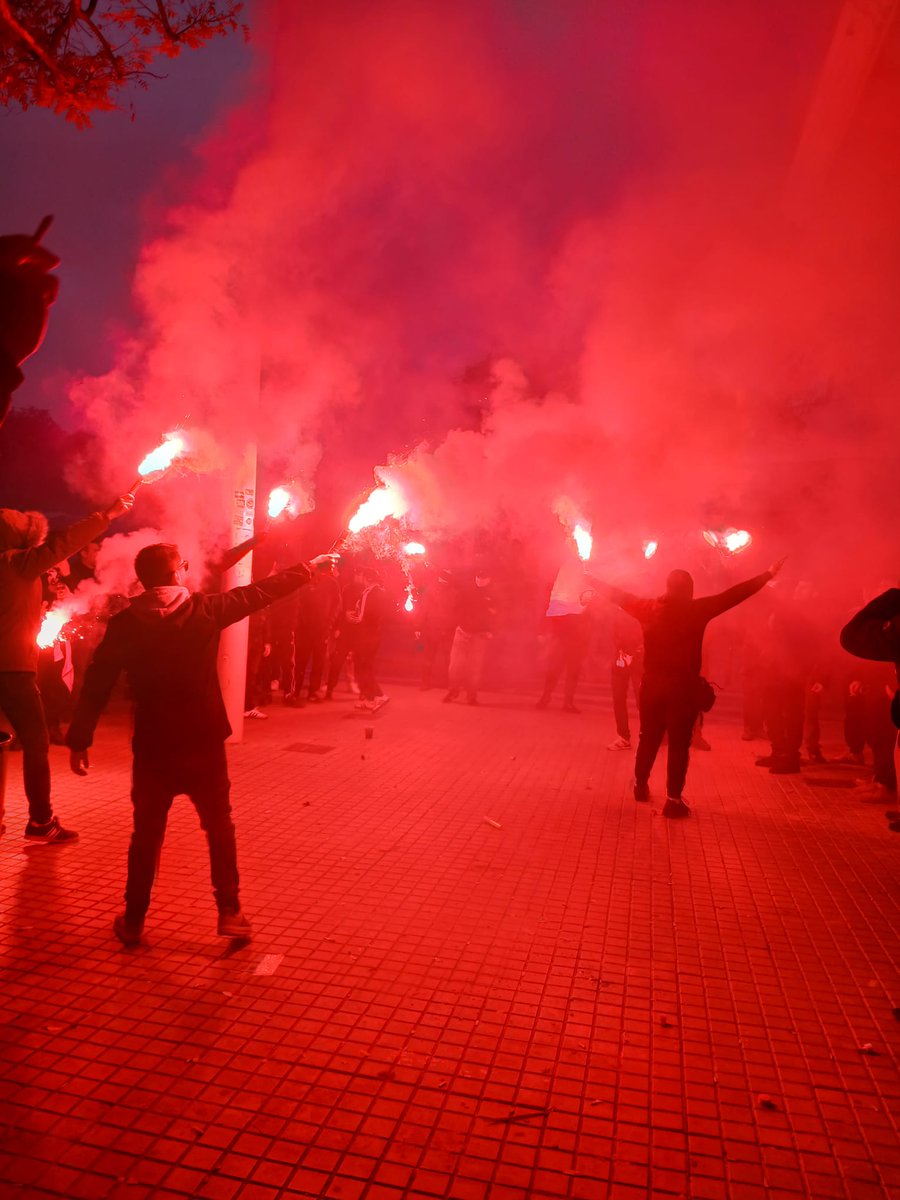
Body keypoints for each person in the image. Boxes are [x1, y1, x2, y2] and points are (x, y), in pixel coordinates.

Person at [66, 542, 336, 946]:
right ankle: (230, 912)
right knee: (219, 826)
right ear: (177, 573)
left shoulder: (125, 624)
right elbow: (261, 591)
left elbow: (97, 682)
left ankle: (134, 919)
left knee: (146, 834)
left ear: (144, 580)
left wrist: (80, 738)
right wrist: (308, 567)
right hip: (203, 741)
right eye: (183, 565)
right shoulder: (205, 610)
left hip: (154, 744)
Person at [587, 559, 785, 817]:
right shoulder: (697, 610)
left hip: (652, 686)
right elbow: (733, 595)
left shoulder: (649, 608)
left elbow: (618, 595)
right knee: (679, 744)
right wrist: (767, 574)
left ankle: (640, 786)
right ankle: (673, 800)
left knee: (648, 738)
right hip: (682, 688)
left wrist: (589, 578)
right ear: (689, 590)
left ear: (668, 587)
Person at [0, 494, 133, 843]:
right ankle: (40, 821)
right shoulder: (17, 562)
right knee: (36, 742)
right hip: (12, 669)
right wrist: (107, 515)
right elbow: (64, 543)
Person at [840, 587, 900, 824]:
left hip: (885, 688)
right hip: (881, 687)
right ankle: (882, 780)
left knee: (886, 738)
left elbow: (852, 636)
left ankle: (886, 784)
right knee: (880, 737)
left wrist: (892, 597)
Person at [536, 557, 590, 713]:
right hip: (561, 637)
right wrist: (544, 630)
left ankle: (568, 701)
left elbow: (589, 615)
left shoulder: (584, 590)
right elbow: (549, 608)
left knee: (573, 670)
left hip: (576, 639)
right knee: (554, 668)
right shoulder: (559, 590)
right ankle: (546, 696)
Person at [444, 570, 496, 706]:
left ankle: (471, 696)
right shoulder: (467, 591)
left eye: (483, 578)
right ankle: (453, 691)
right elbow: (456, 608)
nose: (479, 580)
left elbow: (496, 616)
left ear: (489, 579)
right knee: (455, 666)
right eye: (478, 577)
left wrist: (491, 631)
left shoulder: (493, 595)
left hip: (480, 636)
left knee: (474, 668)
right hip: (462, 632)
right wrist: (458, 624)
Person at [348, 566, 388, 712]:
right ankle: (372, 697)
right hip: (372, 634)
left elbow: (364, 616)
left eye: (362, 576)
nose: (360, 578)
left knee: (362, 666)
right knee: (364, 666)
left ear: (368, 578)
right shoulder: (378, 591)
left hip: (366, 635)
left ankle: (374, 697)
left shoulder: (370, 592)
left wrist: (353, 618)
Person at [608, 609, 643, 750]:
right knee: (618, 698)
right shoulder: (617, 613)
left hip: (638, 660)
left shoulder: (641, 610)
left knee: (642, 700)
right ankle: (623, 737)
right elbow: (613, 633)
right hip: (621, 659)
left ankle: (650, 735)